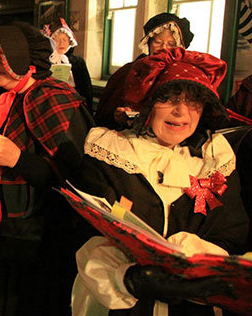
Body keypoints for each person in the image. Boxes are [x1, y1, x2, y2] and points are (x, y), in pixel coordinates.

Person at [73, 47, 249, 315]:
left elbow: (232, 234)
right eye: (168, 98)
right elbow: (86, 233)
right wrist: (129, 279)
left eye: (193, 102)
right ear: (148, 104)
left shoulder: (216, 159)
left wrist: (200, 262)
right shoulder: (112, 153)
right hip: (122, 304)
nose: (181, 112)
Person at [0, 22, 94, 315]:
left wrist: (18, 159)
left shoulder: (53, 97)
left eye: (3, 55)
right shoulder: (3, 100)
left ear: (23, 58)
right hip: (3, 234)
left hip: (39, 242)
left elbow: (78, 179)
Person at [95, 13, 194, 129]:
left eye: (171, 44)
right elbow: (107, 110)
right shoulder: (129, 71)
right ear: (149, 43)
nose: (164, 48)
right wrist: (118, 115)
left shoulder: (185, 75)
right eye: (158, 42)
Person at [47, 18, 94, 113]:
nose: (61, 43)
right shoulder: (46, 61)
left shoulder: (78, 62)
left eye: (64, 40)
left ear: (70, 42)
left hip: (74, 104)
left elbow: (86, 89)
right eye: (57, 40)